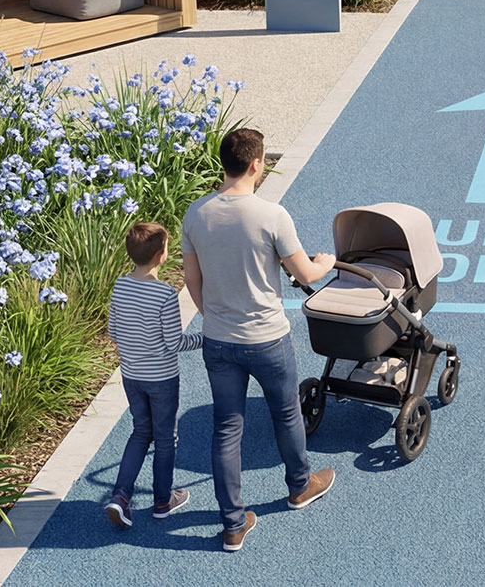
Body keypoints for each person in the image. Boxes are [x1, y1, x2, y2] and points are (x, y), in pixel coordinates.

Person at [182, 127, 338, 552]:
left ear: (224, 163)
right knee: (285, 415)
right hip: (268, 339)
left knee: (226, 428)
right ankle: (300, 487)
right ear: (256, 164)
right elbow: (305, 273)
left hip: (219, 340)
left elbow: (192, 280)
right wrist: (326, 262)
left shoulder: (196, 214)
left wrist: (213, 316)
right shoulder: (272, 216)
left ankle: (233, 524)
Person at [105, 222, 204, 529]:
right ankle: (163, 500)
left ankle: (121, 495)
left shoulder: (120, 286)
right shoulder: (165, 294)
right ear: (162, 254)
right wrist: (204, 338)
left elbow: (112, 330)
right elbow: (174, 343)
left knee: (140, 432)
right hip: (162, 379)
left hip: (132, 376)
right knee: (165, 438)